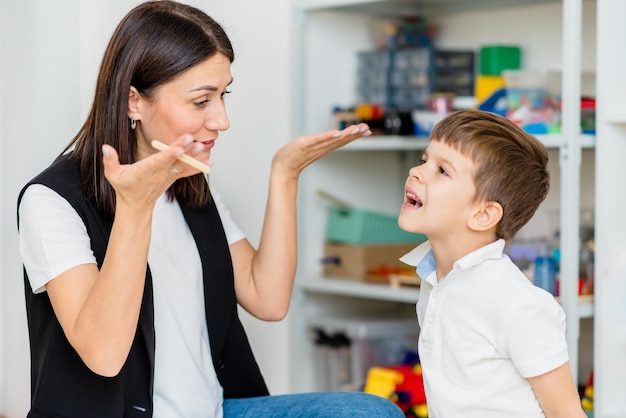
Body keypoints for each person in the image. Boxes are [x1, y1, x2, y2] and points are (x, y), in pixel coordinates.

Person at [16, 1, 405, 417]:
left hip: (214, 409)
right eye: (201, 101)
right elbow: (104, 353)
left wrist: (285, 174)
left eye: (223, 95)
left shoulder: (191, 182)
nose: (222, 120)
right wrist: (135, 210)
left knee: (371, 412)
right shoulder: (51, 200)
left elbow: (268, 299)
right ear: (133, 102)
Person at [398, 109, 587, 417]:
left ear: (482, 215)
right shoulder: (434, 280)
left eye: (442, 170)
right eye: (423, 161)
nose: (416, 172)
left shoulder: (517, 304)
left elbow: (567, 413)